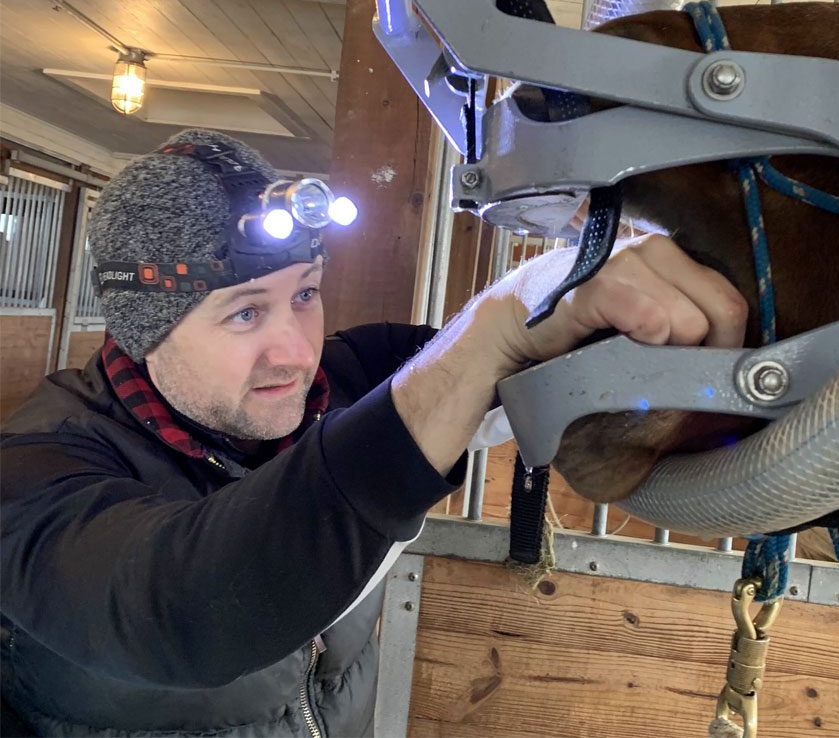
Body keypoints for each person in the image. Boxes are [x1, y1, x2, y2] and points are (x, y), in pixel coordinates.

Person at [0, 128, 747, 737]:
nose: (296, 353)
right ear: (145, 329)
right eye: (245, 313)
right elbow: (181, 612)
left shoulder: (345, 379)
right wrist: (490, 335)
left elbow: (515, 361)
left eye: (305, 294)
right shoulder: (36, 472)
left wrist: (590, 276)